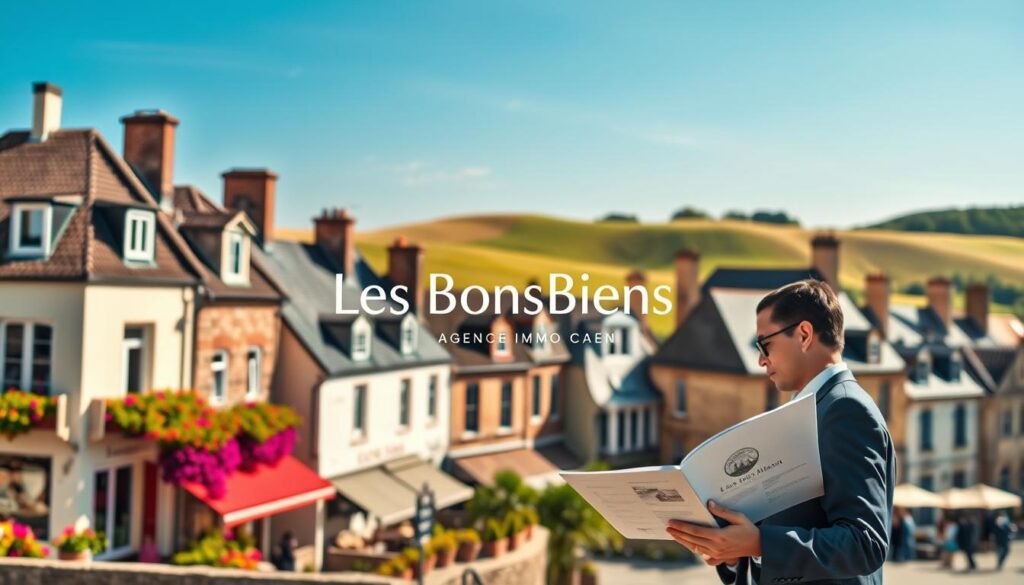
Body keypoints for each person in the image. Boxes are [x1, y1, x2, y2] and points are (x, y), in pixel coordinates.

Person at [665, 279, 895, 584]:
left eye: (765, 344)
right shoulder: (808, 410)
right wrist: (735, 552)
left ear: (803, 335)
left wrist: (760, 543)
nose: (761, 359)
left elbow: (865, 545)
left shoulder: (846, 410)